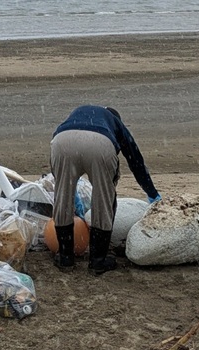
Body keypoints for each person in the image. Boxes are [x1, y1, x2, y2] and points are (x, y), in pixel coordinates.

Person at [50, 105, 161, 274]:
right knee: (103, 198)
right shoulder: (115, 122)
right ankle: (98, 261)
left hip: (62, 141)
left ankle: (65, 257)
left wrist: (67, 189)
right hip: (100, 145)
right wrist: (152, 192)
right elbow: (135, 160)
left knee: (62, 197)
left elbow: (57, 144)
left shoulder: (78, 113)